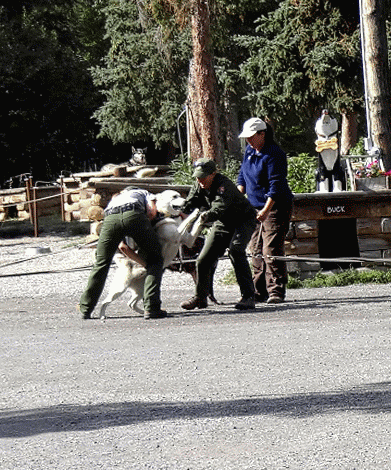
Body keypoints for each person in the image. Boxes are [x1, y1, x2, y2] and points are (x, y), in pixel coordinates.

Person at [179, 158, 258, 311]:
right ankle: (200, 297)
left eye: (203, 177)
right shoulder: (199, 184)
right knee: (203, 259)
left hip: (243, 220)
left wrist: (204, 216)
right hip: (223, 222)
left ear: (213, 174)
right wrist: (176, 209)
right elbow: (189, 203)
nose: (200, 180)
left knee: (236, 251)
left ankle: (248, 296)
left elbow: (218, 209)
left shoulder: (224, 186)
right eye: (198, 177)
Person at [79, 187, 168, 320]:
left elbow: (122, 246)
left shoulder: (116, 200)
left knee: (101, 264)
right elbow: (151, 212)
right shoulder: (145, 193)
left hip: (110, 218)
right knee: (155, 259)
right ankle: (152, 308)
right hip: (133, 214)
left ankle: (86, 309)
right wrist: (148, 232)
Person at [236, 117, 293, 308]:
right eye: (247, 137)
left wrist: (266, 210)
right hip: (253, 207)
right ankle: (258, 291)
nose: (248, 140)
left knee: (271, 249)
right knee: (256, 249)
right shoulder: (249, 151)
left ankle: (276, 290)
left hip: (275, 207)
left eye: (252, 136)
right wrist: (238, 196)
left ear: (263, 134)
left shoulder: (274, 154)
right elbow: (242, 176)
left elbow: (276, 186)